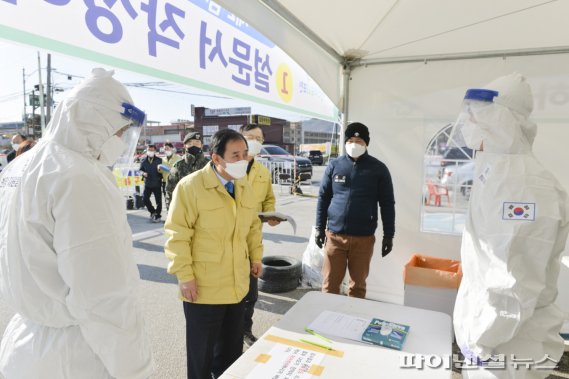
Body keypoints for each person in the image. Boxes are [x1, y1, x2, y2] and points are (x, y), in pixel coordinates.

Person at [0, 68, 153, 378]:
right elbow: (105, 296)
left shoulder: (20, 166)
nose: (123, 143)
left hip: (23, 345)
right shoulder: (79, 176)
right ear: (95, 119)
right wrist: (138, 370)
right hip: (75, 353)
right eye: (121, 131)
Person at [451, 73, 569, 378]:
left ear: (504, 120)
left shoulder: (524, 184)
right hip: (491, 342)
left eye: (479, 118)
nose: (470, 126)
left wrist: (479, 341)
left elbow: (514, 285)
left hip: (505, 350)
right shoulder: (499, 169)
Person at [164, 128, 263, 379]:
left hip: (236, 286)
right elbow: (177, 235)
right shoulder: (190, 187)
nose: (242, 160)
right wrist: (184, 275)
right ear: (216, 158)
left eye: (244, 154)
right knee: (201, 357)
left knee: (230, 356)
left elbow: (252, 227)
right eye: (234, 155)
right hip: (203, 289)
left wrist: (256, 257)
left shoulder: (244, 186)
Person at [315, 122, 395, 299]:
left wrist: (389, 235)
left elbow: (387, 204)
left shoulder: (378, 169)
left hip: (363, 239)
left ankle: (353, 321)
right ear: (345, 142)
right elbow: (323, 197)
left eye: (359, 141)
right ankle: (326, 321)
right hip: (335, 237)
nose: (354, 144)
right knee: (329, 285)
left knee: (357, 287)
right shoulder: (335, 166)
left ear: (366, 143)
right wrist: (319, 228)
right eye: (351, 140)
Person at [239, 123, 278, 346]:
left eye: (258, 138)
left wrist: (272, 215)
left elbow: (269, 199)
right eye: (249, 137)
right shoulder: (230, 166)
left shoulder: (263, 172)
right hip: (229, 241)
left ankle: (245, 330)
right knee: (232, 293)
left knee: (251, 294)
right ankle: (229, 335)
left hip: (253, 243)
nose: (254, 141)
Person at [165, 132, 208, 201]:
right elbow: (170, 191)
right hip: (185, 207)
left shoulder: (209, 165)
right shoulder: (178, 166)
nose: (194, 146)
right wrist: (172, 211)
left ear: (201, 145)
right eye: (190, 143)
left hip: (206, 207)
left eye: (197, 143)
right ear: (184, 146)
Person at [139, 144, 163, 222]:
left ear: (155, 151)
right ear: (147, 150)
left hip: (157, 183)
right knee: (145, 199)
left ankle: (158, 216)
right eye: (149, 150)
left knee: (158, 201)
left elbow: (162, 172)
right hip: (148, 183)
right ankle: (153, 212)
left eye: (152, 150)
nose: (150, 151)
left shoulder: (159, 160)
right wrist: (143, 173)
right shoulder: (143, 160)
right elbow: (140, 170)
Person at [161, 142, 181, 211]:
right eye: (165, 149)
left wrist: (171, 170)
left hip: (175, 182)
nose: (166, 150)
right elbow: (161, 172)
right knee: (167, 199)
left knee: (176, 199)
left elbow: (180, 169)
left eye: (167, 148)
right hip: (165, 182)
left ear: (172, 149)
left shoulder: (178, 158)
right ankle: (169, 214)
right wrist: (159, 168)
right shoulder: (162, 159)